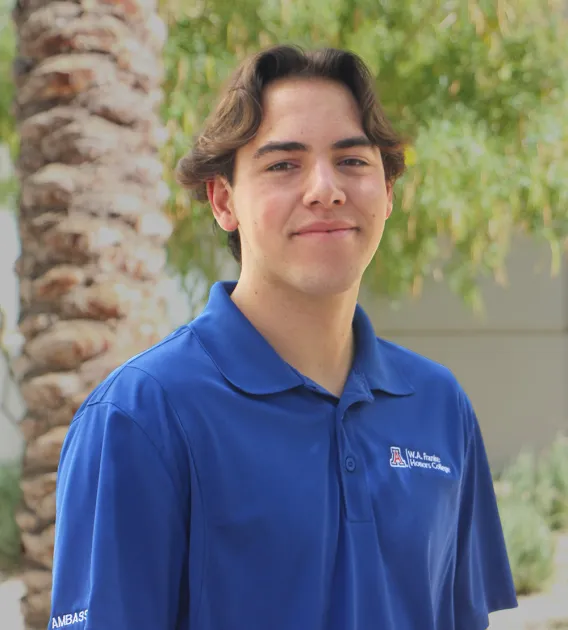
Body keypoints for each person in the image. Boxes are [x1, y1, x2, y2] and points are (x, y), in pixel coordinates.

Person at [49, 45, 518, 630]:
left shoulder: (439, 405)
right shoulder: (142, 415)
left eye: (352, 161)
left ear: (389, 193)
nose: (325, 189)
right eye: (283, 165)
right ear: (223, 201)